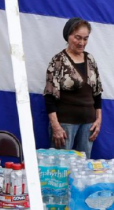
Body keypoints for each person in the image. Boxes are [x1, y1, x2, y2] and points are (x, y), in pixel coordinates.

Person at [44, 17, 103, 157]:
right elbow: (49, 96)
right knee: (61, 169)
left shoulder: (90, 59)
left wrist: (98, 119)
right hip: (65, 124)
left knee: (83, 168)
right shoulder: (58, 61)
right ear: (68, 36)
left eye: (85, 38)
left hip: (88, 124)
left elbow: (97, 93)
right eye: (78, 38)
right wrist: (56, 126)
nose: (82, 43)